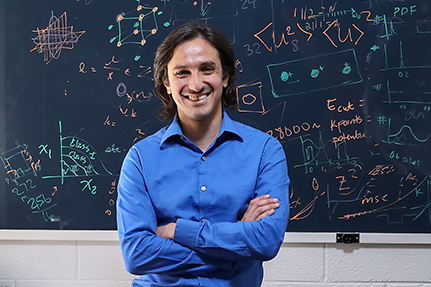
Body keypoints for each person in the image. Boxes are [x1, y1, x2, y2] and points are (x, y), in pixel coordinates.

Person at [117, 21, 290, 286]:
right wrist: (237, 243)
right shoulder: (140, 159)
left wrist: (176, 230)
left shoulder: (265, 152)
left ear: (225, 77)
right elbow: (137, 255)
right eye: (182, 73)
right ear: (166, 83)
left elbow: (266, 242)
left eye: (207, 69)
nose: (196, 84)